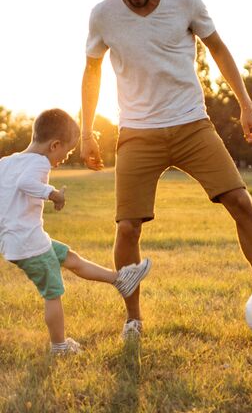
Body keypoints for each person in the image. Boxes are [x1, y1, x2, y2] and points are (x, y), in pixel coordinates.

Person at [80, 0, 252, 338]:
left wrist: (246, 104)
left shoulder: (185, 0)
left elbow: (219, 49)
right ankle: (133, 318)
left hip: (192, 123)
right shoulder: (103, 15)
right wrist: (86, 130)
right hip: (138, 132)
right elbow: (92, 71)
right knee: (127, 228)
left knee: (241, 202)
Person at [0, 109, 152, 354]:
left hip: (16, 242)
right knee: (53, 293)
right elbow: (25, 184)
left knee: (69, 257)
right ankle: (59, 346)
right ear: (54, 145)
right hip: (30, 244)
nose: (65, 157)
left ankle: (120, 280)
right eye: (67, 151)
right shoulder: (39, 162)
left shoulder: (7, 162)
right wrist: (53, 194)